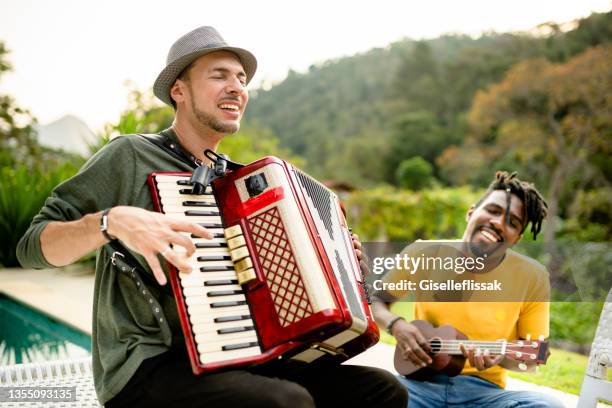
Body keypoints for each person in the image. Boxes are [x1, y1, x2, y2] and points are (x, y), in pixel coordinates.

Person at [17, 26, 407, 408]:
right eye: (219, 75)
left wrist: (335, 261)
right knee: (286, 401)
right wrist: (109, 222)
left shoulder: (239, 182)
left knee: (382, 389)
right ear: (179, 91)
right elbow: (31, 248)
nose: (237, 87)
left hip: (242, 353)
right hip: (150, 367)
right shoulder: (130, 156)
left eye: (240, 78)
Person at [371, 171, 564, 408]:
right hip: (418, 384)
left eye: (512, 222)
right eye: (493, 211)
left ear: (516, 238)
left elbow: (534, 357)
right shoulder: (423, 253)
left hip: (485, 395)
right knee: (368, 393)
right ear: (471, 212)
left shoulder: (533, 277)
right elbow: (376, 301)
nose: (498, 222)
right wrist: (397, 325)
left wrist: (500, 357)